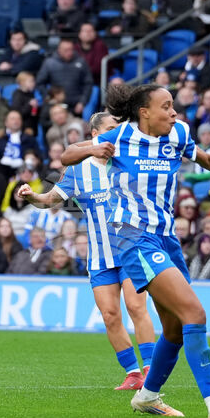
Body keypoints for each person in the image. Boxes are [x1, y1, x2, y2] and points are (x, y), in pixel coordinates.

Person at [62, 84, 210, 418]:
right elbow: (66, 156)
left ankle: (147, 397)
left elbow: (206, 159)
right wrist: (94, 149)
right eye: (166, 106)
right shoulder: (119, 136)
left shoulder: (177, 134)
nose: (174, 112)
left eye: (174, 106)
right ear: (144, 112)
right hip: (134, 239)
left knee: (175, 329)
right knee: (195, 313)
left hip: (167, 239)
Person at [18, 112, 157, 391]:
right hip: (100, 255)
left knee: (135, 307)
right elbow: (49, 200)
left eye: (118, 130)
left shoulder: (127, 162)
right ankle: (132, 374)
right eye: (109, 129)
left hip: (131, 247)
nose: (115, 135)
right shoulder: (78, 170)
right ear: (95, 134)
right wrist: (32, 196)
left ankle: (152, 370)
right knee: (109, 315)